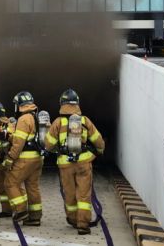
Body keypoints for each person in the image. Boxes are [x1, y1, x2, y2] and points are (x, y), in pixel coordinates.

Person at [44, 89, 105, 235]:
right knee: (84, 195)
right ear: (77, 103)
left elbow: (48, 145)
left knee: (69, 193)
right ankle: (83, 224)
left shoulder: (58, 122)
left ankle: (72, 219)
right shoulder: (84, 120)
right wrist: (99, 151)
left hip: (65, 164)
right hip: (83, 163)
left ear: (62, 103)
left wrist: (56, 151)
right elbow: (98, 140)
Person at [4, 91, 44, 226]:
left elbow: (18, 143)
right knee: (32, 187)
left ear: (19, 105)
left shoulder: (23, 119)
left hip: (25, 159)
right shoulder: (35, 116)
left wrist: (10, 158)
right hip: (37, 158)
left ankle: (21, 211)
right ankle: (35, 217)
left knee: (10, 182)